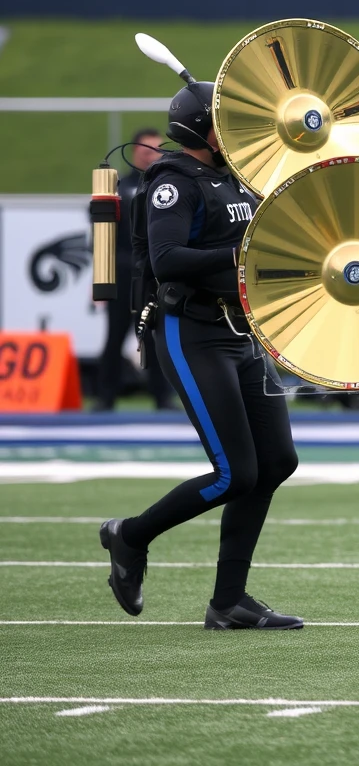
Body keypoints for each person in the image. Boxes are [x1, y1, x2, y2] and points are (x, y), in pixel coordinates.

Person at [99, 80, 301, 630]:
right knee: (235, 473)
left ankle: (227, 602)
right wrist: (241, 251)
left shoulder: (236, 177)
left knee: (278, 461)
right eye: (226, 123)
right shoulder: (174, 181)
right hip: (192, 332)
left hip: (240, 331)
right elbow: (166, 259)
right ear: (203, 130)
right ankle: (130, 536)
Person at [93, 127, 175, 412]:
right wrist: (101, 279)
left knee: (155, 338)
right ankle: (105, 398)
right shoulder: (118, 187)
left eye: (156, 150)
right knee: (115, 336)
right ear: (135, 152)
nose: (151, 156)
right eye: (145, 150)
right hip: (122, 273)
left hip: (155, 275)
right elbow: (102, 236)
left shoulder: (168, 187)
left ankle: (162, 398)